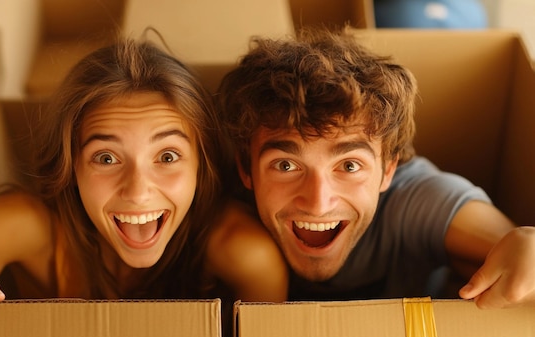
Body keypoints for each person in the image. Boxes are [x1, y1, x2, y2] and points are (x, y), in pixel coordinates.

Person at [0, 35, 288, 319]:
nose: (138, 192)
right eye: (105, 158)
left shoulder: (244, 252)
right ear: (71, 167)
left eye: (168, 156)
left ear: (202, 165)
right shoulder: (28, 224)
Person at [216, 26, 535, 308]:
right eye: (286, 165)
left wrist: (526, 248)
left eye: (350, 166)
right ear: (246, 170)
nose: (318, 203)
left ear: (388, 170)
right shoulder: (225, 212)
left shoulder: (419, 202)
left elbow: (513, 255)